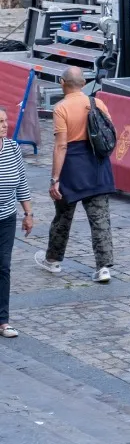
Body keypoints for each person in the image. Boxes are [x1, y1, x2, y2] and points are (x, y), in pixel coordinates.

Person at [35, 68, 115, 283]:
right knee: (100, 219)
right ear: (82, 83)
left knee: (63, 216)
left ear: (62, 82)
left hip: (72, 168)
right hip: (97, 166)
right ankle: (103, 267)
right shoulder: (97, 103)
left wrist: (55, 178)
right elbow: (109, 132)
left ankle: (52, 260)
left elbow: (61, 146)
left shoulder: (61, 108)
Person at [0, 108, 35, 338]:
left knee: (3, 266)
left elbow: (21, 181)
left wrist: (28, 213)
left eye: (4, 121)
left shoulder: (12, 148)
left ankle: (3, 320)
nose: (4, 125)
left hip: (6, 217)